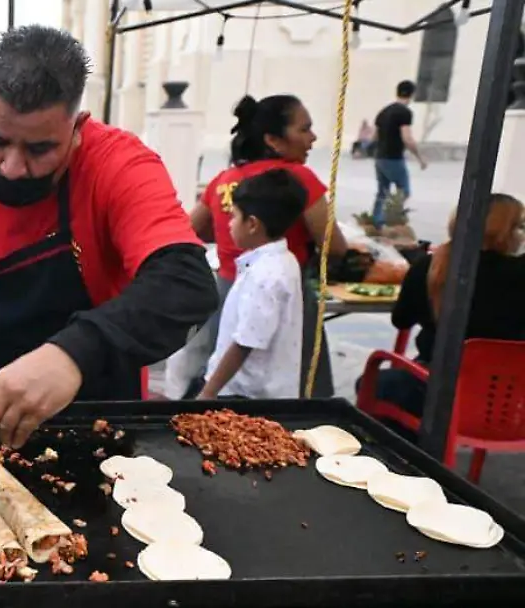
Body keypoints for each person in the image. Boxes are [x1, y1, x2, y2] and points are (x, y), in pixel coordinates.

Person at [0, 26, 216, 449]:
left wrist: (73, 354)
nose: (12, 167)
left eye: (39, 150)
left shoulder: (119, 165)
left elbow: (186, 284)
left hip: (96, 405)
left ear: (76, 128)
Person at [165, 93, 347, 400]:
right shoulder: (296, 179)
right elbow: (335, 246)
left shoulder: (224, 179)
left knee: (223, 380)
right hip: (288, 296)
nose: (312, 137)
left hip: (224, 296)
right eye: (304, 129)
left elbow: (188, 229)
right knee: (293, 387)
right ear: (274, 140)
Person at [365, 194, 525, 443]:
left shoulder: (430, 268)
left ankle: (403, 460)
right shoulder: (518, 275)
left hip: (438, 394)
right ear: (508, 232)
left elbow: (401, 320)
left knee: (376, 382)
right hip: (511, 405)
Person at [198, 170, 306, 400]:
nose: (229, 225)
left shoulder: (266, 276)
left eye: (234, 216)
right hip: (258, 390)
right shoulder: (282, 260)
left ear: (253, 224)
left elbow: (245, 343)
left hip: (247, 396)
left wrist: (208, 393)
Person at [373, 80, 426, 227]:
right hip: (394, 158)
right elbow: (407, 138)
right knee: (404, 192)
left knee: (382, 192)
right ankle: (392, 221)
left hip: (380, 157)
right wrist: (420, 158)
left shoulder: (383, 112)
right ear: (412, 94)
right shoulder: (404, 113)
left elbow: (374, 137)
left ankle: (377, 223)